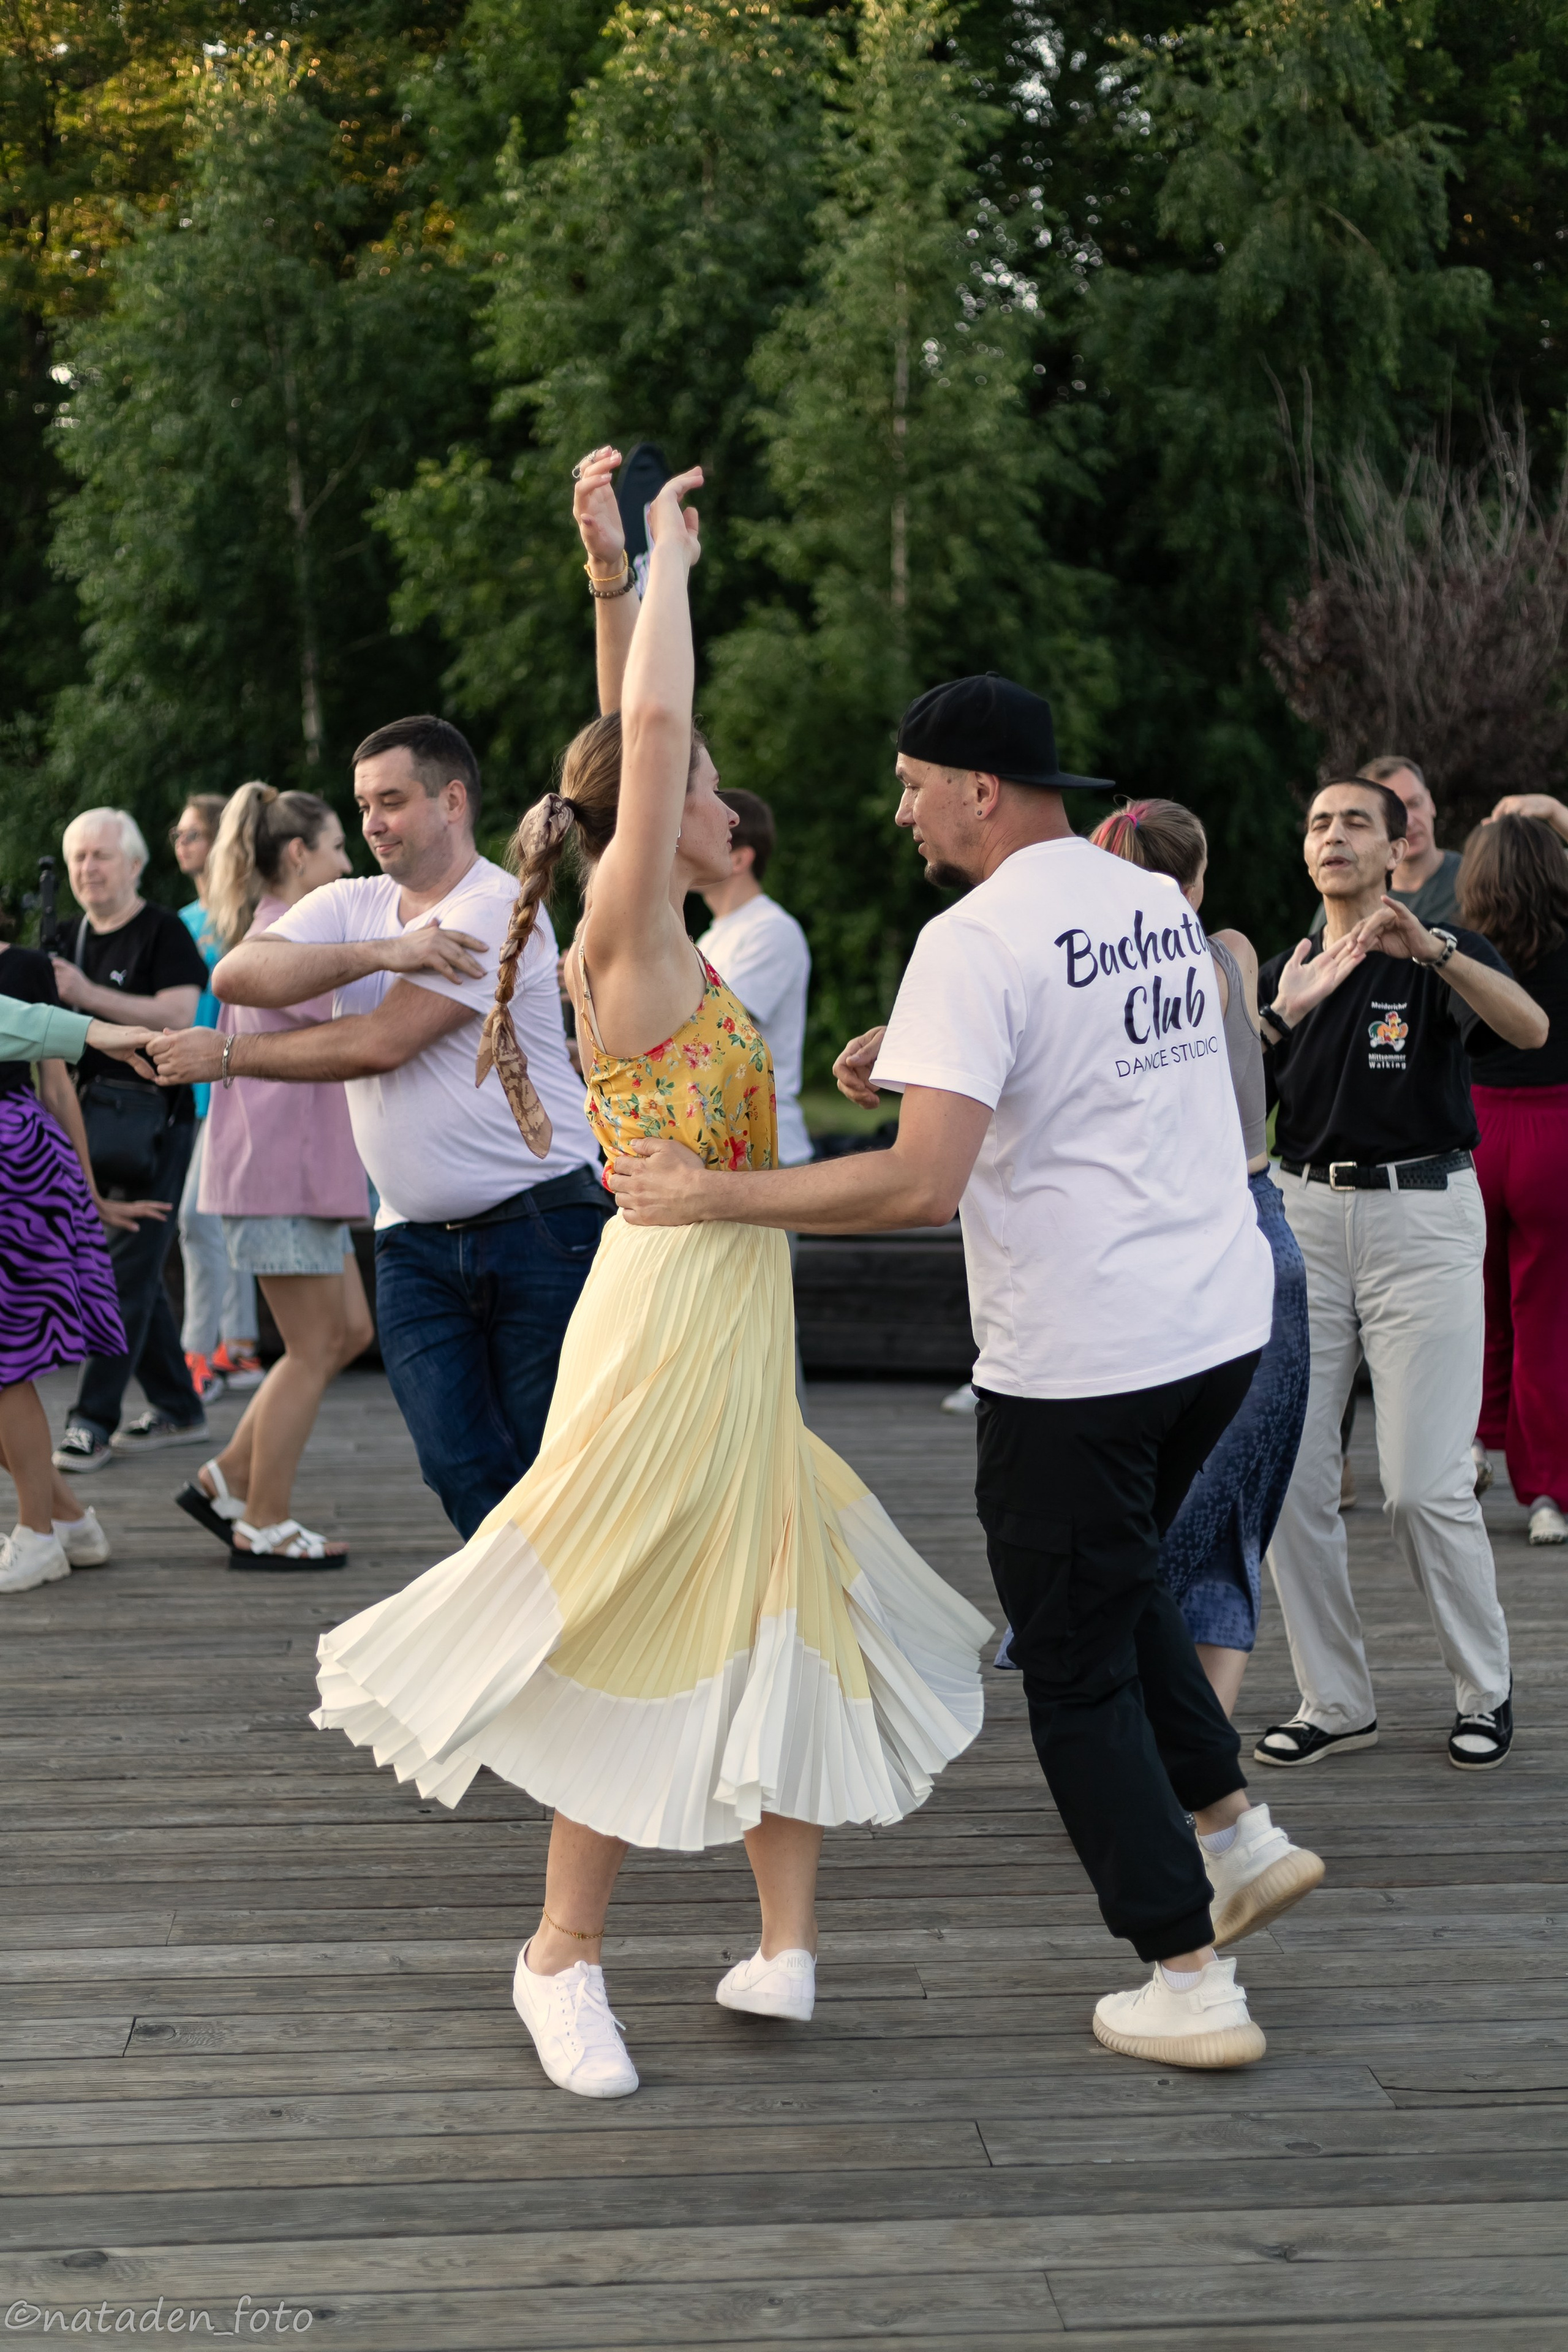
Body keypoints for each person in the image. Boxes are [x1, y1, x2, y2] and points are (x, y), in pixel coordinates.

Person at [309, 466, 991, 2103]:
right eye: (694, 778)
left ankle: (783, 1942)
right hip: (667, 1313)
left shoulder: (672, 933)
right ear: (650, 805)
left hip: (734, 1313)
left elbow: (639, 725)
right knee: (635, 1596)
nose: (715, 792)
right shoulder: (630, 932)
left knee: (779, 1588)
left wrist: (612, 575)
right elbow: (651, 722)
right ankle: (559, 1954)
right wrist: (667, 569)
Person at [615, 670, 1327, 2071]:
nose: (900, 812)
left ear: (978, 790)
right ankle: (1234, 1831)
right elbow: (1100, 1074)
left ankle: (1187, 1975)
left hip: (1082, 1358)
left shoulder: (972, 934)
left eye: (910, 786)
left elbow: (916, 1187)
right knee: (1112, 1577)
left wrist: (709, 1195)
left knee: (1067, 1660)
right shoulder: (1146, 901)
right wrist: (920, 1061)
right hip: (1218, 1326)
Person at [146, 718, 605, 1540]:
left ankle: (560, 1607)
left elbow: (380, 1043)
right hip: (413, 1241)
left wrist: (230, 1056)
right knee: (456, 1462)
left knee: (549, 1458)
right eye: (362, 807)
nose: (372, 824)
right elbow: (237, 972)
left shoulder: (495, 904)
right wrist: (385, 952)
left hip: (539, 1226)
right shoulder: (355, 904)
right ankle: (533, 1598)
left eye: (391, 802)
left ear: (452, 801)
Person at [1255, 777, 1548, 1774]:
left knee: (1422, 1487)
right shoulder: (1291, 969)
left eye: (1355, 822)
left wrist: (1438, 952)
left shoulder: (1437, 954)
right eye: (1318, 822)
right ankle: (1335, 1699)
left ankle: (1485, 1690)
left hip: (1420, 1214)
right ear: (1306, 852)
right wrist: (1273, 1015)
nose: (1333, 835)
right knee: (1292, 1479)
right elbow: (1226, 1091)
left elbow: (1530, 1029)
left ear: (1397, 849)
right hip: (1305, 1215)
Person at [1084, 799, 1312, 1723]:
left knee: (1154, 1504)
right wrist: (1280, 1018)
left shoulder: (1105, 989)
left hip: (1169, 1244)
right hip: (1261, 1239)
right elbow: (1231, 1052)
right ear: (1199, 874)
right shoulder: (1233, 954)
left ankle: (1123, 1709)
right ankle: (1199, 1747)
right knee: (1225, 1518)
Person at [168, 785, 372, 1566]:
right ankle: (264, 1521)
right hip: (279, 1175)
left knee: (348, 1332)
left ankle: (226, 1478)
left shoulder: (292, 934)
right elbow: (358, 1031)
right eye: (336, 848)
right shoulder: (282, 940)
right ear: (297, 854)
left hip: (303, 1176)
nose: (347, 864)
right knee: (312, 1347)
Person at [49, 809, 210, 1474]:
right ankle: (178, 1405)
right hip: (86, 1125)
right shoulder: (63, 937)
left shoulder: (163, 930)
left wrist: (87, 994)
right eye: (78, 857)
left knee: (122, 1270)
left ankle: (92, 1419)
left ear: (136, 864)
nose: (88, 868)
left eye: (101, 855)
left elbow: (179, 1012)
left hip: (157, 1126)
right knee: (133, 1269)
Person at [0, 984, 163, 1592]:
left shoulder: (24, 966)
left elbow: (32, 1044)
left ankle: (38, 1534)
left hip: (12, 1166)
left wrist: (94, 1033)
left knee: (6, 1361)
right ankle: (68, 1522)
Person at [1458, 805, 1568, 1548]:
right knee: (1545, 1319)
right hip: (1554, 1133)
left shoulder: (1459, 947)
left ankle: (1471, 1442)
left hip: (1474, 1130)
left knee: (1473, 1307)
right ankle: (1547, 1493)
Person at [170, 796, 262, 1406]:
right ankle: (239, 1346)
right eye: (177, 834)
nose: (183, 843)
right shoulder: (180, 919)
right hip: (194, 1086)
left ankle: (198, 1355)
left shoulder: (246, 911)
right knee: (220, 1218)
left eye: (194, 833)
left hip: (239, 1078)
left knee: (198, 1220)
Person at [1310, 758, 1461, 935]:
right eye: (1392, 814)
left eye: (1415, 803)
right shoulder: (1344, 903)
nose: (1409, 822)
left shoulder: (1477, 880)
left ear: (1431, 803)